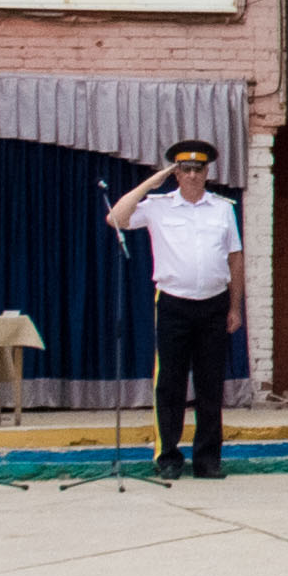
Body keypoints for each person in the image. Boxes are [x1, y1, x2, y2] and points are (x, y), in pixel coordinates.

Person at [107, 139, 244, 478]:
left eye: (199, 169)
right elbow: (116, 218)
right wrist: (151, 182)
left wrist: (235, 306)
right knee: (170, 384)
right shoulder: (158, 205)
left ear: (207, 173)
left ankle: (207, 459)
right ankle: (168, 457)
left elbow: (235, 260)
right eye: (185, 169)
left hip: (213, 305)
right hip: (173, 304)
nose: (193, 175)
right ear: (176, 173)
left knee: (211, 385)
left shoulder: (222, 209)